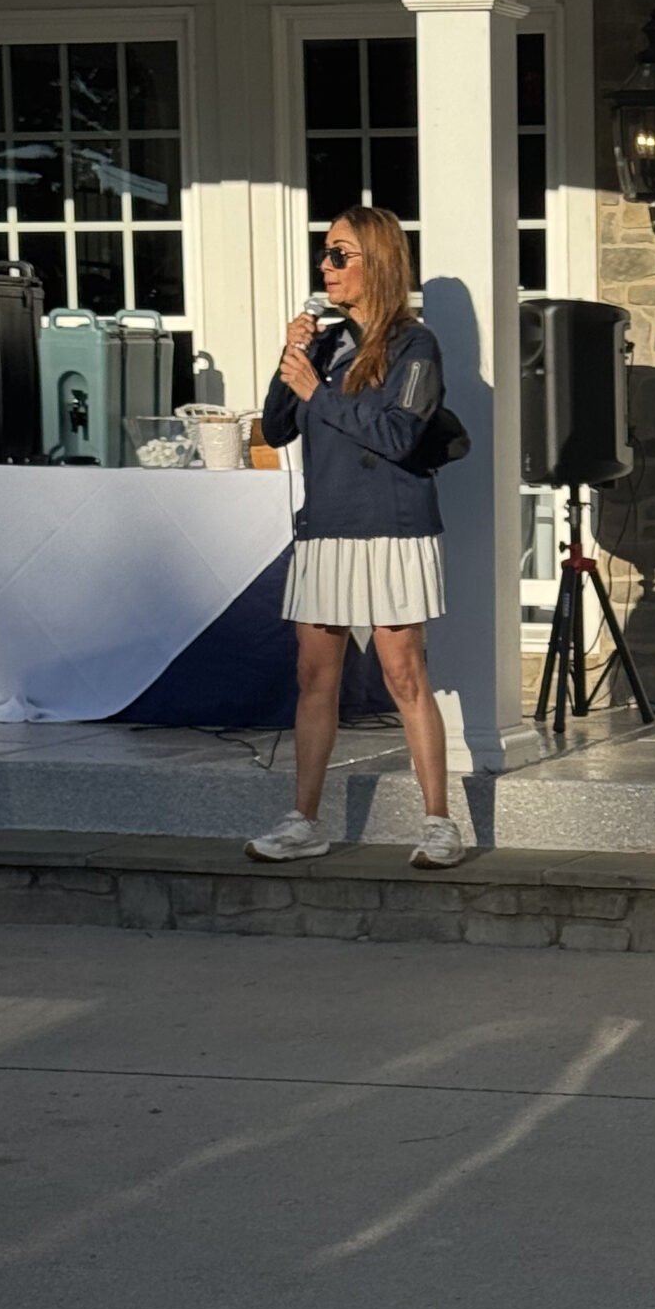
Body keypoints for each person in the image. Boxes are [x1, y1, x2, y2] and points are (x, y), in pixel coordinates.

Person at [246, 203, 466, 868]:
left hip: (392, 528)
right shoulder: (325, 342)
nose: (326, 265)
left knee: (403, 673)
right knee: (315, 675)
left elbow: (398, 434)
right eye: (325, 253)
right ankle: (304, 821)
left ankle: (439, 823)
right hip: (327, 526)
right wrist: (291, 359)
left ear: (379, 261)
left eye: (340, 254)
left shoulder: (415, 345)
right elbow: (276, 428)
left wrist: (318, 392)